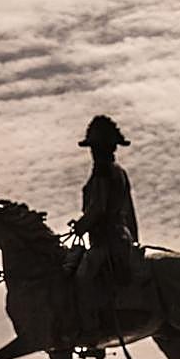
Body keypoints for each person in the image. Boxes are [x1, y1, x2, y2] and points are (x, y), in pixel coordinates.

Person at [68, 114, 140, 331]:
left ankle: (91, 327)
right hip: (120, 236)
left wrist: (82, 224)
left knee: (81, 278)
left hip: (108, 240)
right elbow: (129, 210)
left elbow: (98, 207)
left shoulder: (103, 171)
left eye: (95, 147)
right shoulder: (119, 172)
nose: (93, 152)